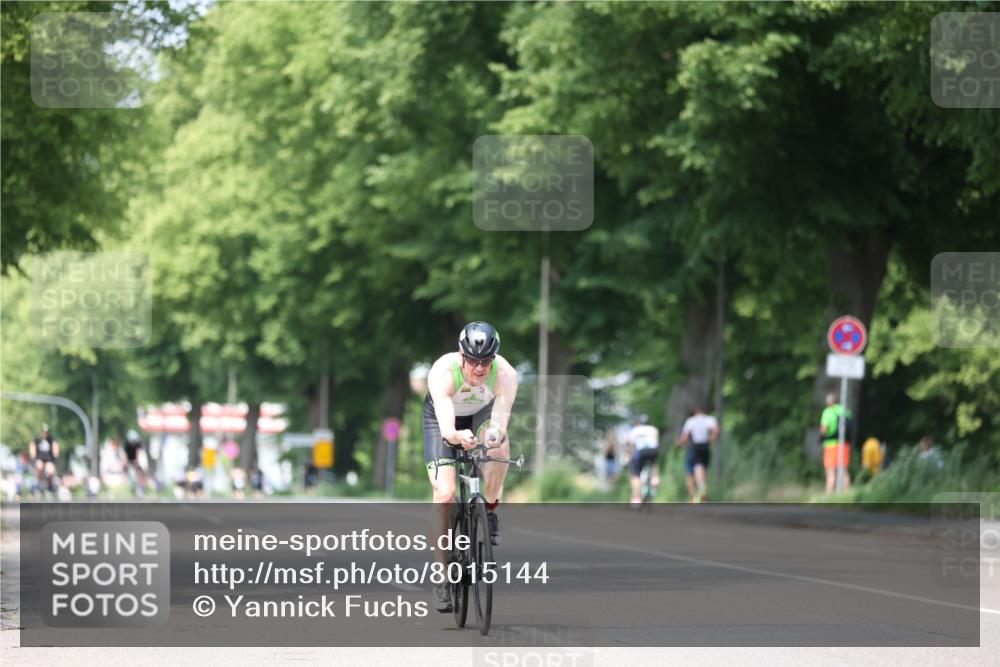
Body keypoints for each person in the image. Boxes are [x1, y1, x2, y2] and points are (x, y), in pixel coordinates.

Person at [423, 321, 518, 612]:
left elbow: (499, 422)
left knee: (500, 448)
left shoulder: (505, 375)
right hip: (443, 420)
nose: (479, 368)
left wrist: (491, 437)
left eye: (486, 361)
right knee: (445, 494)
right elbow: (448, 427)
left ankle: (488, 508)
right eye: (474, 361)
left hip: (481, 415)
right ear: (461, 356)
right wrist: (455, 436)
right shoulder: (442, 372)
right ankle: (441, 574)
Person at [676, 406, 719, 503]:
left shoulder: (691, 421)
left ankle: (696, 495)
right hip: (705, 446)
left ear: (695, 411)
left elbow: (685, 437)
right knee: (702, 468)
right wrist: (712, 438)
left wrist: (679, 443)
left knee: (690, 471)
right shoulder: (710, 419)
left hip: (694, 447)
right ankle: (702, 490)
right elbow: (716, 430)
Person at [819, 392, 852, 494]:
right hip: (844, 444)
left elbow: (824, 429)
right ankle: (846, 496)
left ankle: (828, 496)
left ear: (828, 402)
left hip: (831, 445)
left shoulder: (827, 412)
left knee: (830, 472)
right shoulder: (845, 411)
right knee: (843, 471)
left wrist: (821, 436)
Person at [626, 415, 660, 505]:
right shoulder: (653, 429)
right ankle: (655, 479)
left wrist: (629, 457)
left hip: (640, 452)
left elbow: (631, 446)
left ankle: (637, 498)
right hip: (653, 451)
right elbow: (656, 443)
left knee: (636, 474)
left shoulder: (635, 430)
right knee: (653, 464)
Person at [28, 424, 59, 495]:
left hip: (49, 460)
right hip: (39, 459)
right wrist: (33, 457)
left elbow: (56, 448)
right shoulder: (37, 439)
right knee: (39, 466)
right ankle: (37, 483)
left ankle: (50, 484)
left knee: (51, 470)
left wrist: (55, 456)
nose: (44, 433)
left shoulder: (51, 440)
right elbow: (32, 447)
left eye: (46, 432)